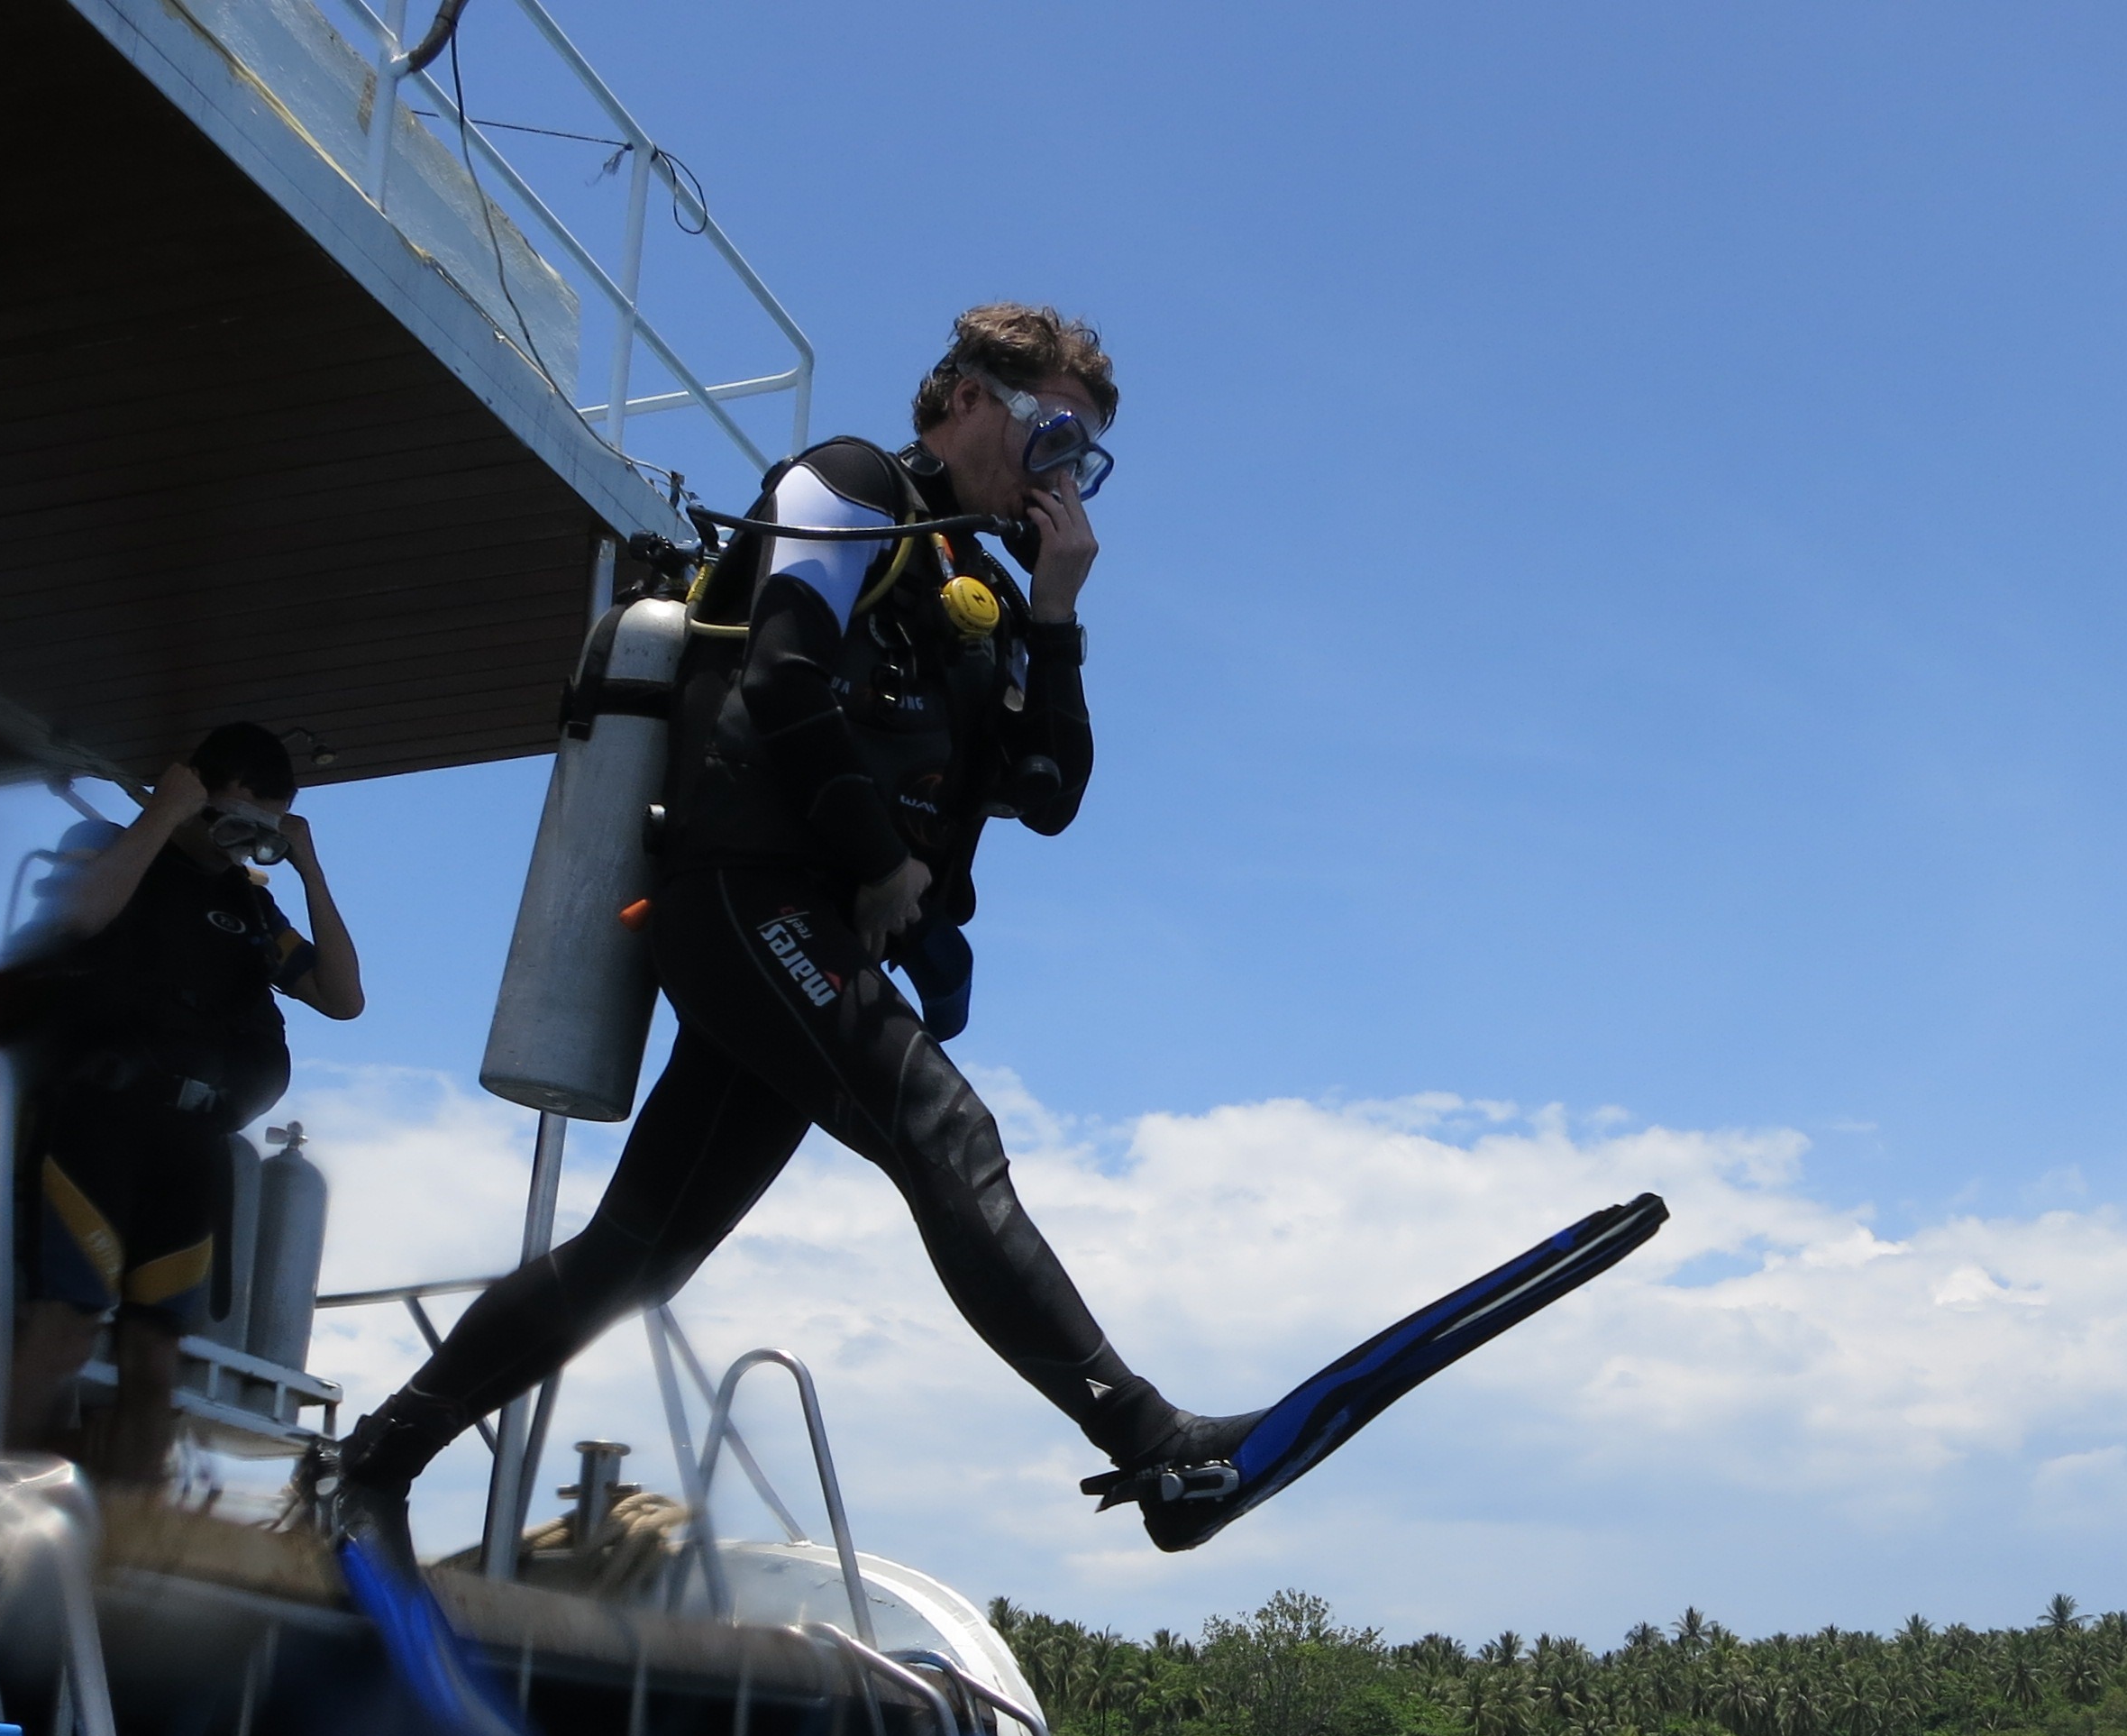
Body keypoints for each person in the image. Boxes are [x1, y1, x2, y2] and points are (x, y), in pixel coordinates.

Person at [331, 304, 1664, 1558]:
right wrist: (877, 863)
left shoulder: (979, 592)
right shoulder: (847, 486)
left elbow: (1049, 794)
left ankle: (372, 1471)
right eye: (1051, 428)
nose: (1064, 464)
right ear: (968, 396)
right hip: (746, 896)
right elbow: (787, 674)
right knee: (946, 1136)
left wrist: (1059, 609)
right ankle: (1152, 1447)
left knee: (642, 1252)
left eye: (1086, 447)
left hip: (813, 938)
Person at [5, 724, 363, 1483]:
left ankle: (121, 1540)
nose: (240, 841)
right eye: (231, 816)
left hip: (192, 1147)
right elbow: (78, 921)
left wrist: (310, 868)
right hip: (99, 1125)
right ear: (197, 791)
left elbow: (344, 998)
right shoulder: (111, 847)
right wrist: (163, 815)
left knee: (154, 1360)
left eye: (260, 827)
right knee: (63, 1331)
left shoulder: (252, 909)